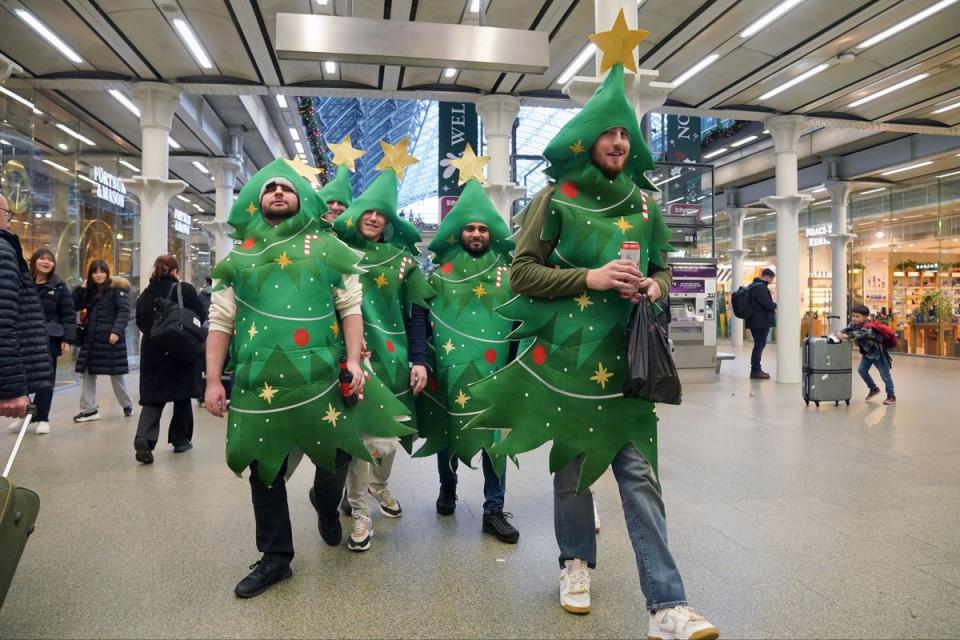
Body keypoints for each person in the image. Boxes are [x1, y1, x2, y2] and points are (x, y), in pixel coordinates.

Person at [463, 51, 718, 638]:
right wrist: (590, 278)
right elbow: (521, 273)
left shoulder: (646, 204)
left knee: (640, 478)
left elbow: (664, 271)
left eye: (626, 133)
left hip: (628, 367)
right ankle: (574, 564)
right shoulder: (554, 200)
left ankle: (667, 605)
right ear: (585, 141)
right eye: (608, 132)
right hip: (566, 367)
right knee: (573, 474)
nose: (619, 142)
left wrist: (655, 283)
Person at [204, 158, 413, 598]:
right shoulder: (239, 256)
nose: (278, 192)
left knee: (336, 458)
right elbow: (221, 320)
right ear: (257, 200)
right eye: (270, 188)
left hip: (324, 380)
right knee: (265, 472)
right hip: (258, 384)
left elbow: (350, 308)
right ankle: (276, 558)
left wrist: (355, 361)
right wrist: (211, 380)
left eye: (287, 188)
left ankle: (324, 498)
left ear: (302, 200)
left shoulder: (327, 248)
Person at [411, 155, 520, 545]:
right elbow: (420, 315)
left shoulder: (507, 274)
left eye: (482, 228)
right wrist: (422, 359)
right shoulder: (438, 275)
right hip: (447, 367)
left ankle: (494, 508)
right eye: (469, 228)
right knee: (447, 429)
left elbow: (522, 319)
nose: (476, 234)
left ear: (491, 232)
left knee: (495, 438)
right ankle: (448, 487)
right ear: (458, 232)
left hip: (495, 372)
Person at [331, 156, 435, 552]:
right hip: (353, 357)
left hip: (395, 357)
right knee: (364, 438)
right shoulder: (336, 253)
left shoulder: (404, 260)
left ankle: (378, 485)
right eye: (367, 212)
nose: (373, 218)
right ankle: (359, 510)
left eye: (381, 214)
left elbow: (418, 313)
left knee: (388, 441)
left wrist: (419, 358)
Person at [133, 255, 205, 464]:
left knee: (153, 398)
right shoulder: (185, 289)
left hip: (153, 350)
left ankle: (144, 437)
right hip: (181, 349)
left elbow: (140, 321)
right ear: (175, 271)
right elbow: (199, 315)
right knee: (182, 395)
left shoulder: (146, 294)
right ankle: (181, 440)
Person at [9, 248, 75, 434]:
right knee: (24, 378)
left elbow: (68, 314)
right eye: (42, 259)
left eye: (50, 260)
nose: (46, 262)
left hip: (49, 338)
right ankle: (26, 416)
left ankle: (43, 418)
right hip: (25, 335)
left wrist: (67, 339)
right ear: (34, 261)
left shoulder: (59, 287)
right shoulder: (24, 283)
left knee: (45, 379)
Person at [0, 193, 52, 421]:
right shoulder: (3, 252)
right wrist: (11, 389)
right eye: (5, 213)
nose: (9, 221)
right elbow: (3, 321)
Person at [72, 259, 133, 421]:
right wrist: (82, 288)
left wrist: (116, 332)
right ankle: (89, 409)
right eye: (95, 272)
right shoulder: (90, 291)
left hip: (110, 339)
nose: (98, 275)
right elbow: (73, 304)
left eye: (102, 272)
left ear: (107, 273)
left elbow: (123, 312)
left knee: (116, 373)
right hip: (92, 339)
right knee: (87, 372)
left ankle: (127, 404)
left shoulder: (117, 289)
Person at [837, 303, 896, 405]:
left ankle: (891, 396)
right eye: (853, 316)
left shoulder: (868, 327)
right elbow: (847, 330)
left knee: (885, 376)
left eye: (857, 316)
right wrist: (840, 332)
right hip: (868, 354)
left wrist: (845, 336)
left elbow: (857, 334)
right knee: (862, 370)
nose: (854, 318)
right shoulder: (853, 324)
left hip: (879, 355)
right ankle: (873, 388)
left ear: (865, 317)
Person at [745, 268, 777, 379]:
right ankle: (755, 370)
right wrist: (775, 305)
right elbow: (767, 304)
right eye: (771, 279)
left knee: (758, 345)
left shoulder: (753, 285)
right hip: (760, 322)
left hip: (755, 321)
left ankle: (756, 369)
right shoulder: (760, 287)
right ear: (767, 277)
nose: (771, 281)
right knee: (759, 346)